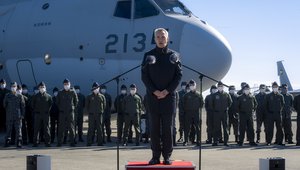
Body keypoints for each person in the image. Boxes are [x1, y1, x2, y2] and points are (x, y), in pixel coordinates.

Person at [141, 28, 182, 165]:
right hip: (153, 98)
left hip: (169, 98)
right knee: (154, 128)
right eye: (157, 36)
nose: (160, 39)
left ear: (168, 38)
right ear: (154, 39)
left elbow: (179, 76)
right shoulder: (148, 55)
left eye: (163, 36)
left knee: (168, 128)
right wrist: (154, 91)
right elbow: (144, 76)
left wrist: (167, 91)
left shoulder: (174, 56)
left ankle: (167, 156)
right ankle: (155, 156)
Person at [56, 79, 78, 147]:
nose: (66, 85)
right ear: (63, 85)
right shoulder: (60, 92)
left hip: (70, 113)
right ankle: (59, 142)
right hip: (62, 113)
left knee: (71, 128)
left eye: (67, 84)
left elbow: (76, 101)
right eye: (65, 84)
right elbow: (57, 102)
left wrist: (72, 108)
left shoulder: (72, 92)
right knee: (61, 128)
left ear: (70, 84)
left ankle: (72, 142)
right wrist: (61, 108)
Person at [3, 82, 25, 148]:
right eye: (12, 86)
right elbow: (4, 105)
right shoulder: (7, 95)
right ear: (10, 87)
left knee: (18, 130)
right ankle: (7, 142)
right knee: (9, 130)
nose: (13, 88)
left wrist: (22, 115)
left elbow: (23, 106)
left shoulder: (20, 96)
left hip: (17, 116)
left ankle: (19, 142)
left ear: (16, 87)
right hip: (9, 115)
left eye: (14, 86)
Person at [182, 80, 204, 146]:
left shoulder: (199, 94)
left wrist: (197, 109)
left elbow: (202, 103)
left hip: (196, 112)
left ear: (195, 86)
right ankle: (185, 141)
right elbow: (183, 104)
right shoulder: (186, 95)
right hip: (188, 113)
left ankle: (198, 141)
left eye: (193, 85)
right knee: (187, 128)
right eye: (190, 85)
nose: (192, 86)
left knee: (198, 127)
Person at [31, 82, 52, 147]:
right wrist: (36, 110)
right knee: (36, 129)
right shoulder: (35, 96)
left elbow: (50, 105)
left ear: (45, 88)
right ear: (39, 88)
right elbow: (32, 105)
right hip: (38, 114)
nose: (42, 88)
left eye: (43, 87)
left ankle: (47, 142)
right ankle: (35, 142)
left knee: (47, 128)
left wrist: (47, 111)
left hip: (46, 114)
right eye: (40, 87)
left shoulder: (48, 96)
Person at [212, 81, 232, 146]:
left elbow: (230, 102)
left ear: (223, 87)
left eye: (221, 86)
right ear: (217, 87)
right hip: (216, 113)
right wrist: (215, 109)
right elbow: (212, 104)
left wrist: (226, 108)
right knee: (216, 128)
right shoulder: (214, 95)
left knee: (225, 128)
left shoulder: (226, 94)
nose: (220, 87)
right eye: (219, 86)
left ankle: (225, 142)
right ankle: (215, 141)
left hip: (224, 113)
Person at [264, 82, 284, 146]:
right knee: (270, 128)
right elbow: (265, 105)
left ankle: (279, 141)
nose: (275, 88)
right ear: (272, 88)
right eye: (274, 87)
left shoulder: (280, 96)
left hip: (278, 114)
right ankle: (268, 141)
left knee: (279, 128)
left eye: (276, 87)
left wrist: (279, 110)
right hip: (270, 114)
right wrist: (268, 113)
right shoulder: (268, 96)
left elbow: (283, 104)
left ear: (278, 88)